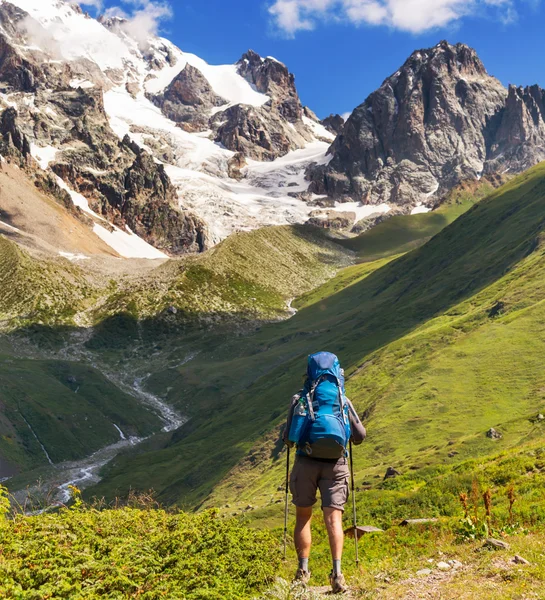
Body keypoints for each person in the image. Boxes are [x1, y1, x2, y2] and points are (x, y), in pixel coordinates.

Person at [283, 352, 366, 594]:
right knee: (334, 519)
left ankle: (302, 573)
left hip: (306, 462)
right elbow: (360, 436)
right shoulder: (342, 400)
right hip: (336, 465)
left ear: (309, 373)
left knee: (303, 518)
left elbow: (289, 438)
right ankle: (338, 574)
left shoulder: (299, 399)